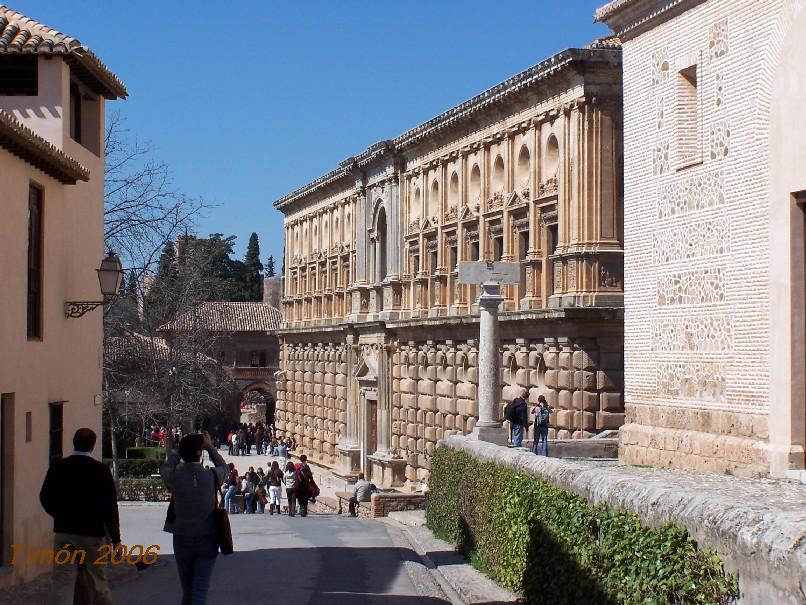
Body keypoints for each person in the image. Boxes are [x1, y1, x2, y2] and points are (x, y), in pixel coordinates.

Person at [40, 428, 120, 605]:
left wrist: (59, 515)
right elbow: (110, 508)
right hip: (92, 535)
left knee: (62, 581)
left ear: (74, 442)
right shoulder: (100, 470)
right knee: (98, 582)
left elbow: (45, 496)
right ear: (93, 445)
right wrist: (116, 539)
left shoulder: (59, 466)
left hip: (64, 533)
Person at [161, 431, 228, 605]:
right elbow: (224, 466)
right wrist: (208, 446)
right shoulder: (212, 476)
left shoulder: (174, 477)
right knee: (200, 591)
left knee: (188, 590)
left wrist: (178, 451)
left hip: (182, 537)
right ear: (200, 455)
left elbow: (166, 467)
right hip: (208, 537)